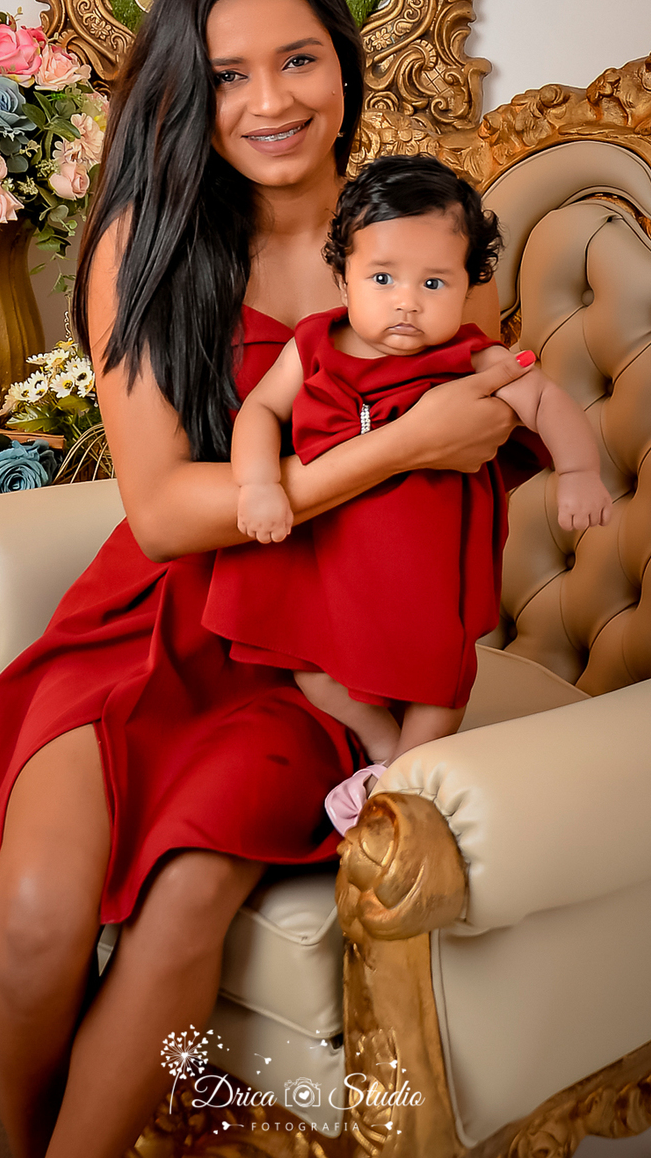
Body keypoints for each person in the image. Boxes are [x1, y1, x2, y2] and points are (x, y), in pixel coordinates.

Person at [0, 0, 535, 1158]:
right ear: (182, 91)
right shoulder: (144, 246)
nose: (271, 102)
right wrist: (394, 446)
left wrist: (460, 436)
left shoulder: (412, 249)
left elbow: (481, 450)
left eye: (300, 59)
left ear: (345, 65)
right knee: (40, 919)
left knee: (183, 906)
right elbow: (161, 510)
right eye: (226, 74)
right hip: (146, 618)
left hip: (316, 651)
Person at [207, 153, 611, 828]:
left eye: (433, 282)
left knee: (440, 678)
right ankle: (386, 753)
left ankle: (404, 781)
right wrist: (258, 484)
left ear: (467, 287)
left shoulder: (472, 358)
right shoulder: (312, 346)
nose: (407, 301)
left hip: (427, 563)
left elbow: (546, 403)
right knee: (306, 663)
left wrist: (579, 472)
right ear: (342, 279)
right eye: (383, 277)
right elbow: (260, 413)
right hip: (329, 556)